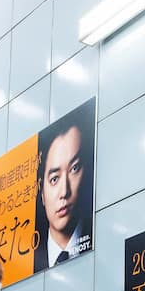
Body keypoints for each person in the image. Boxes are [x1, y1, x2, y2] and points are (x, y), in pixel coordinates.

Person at [32, 106, 94, 271]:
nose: (64, 191)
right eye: (54, 179)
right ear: (42, 192)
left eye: (74, 169)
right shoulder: (32, 261)